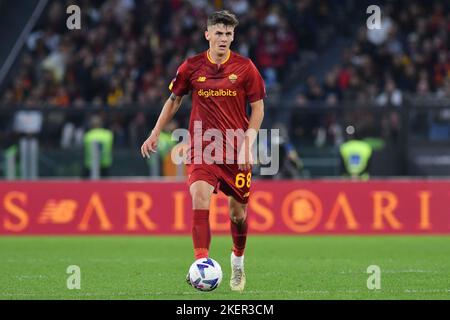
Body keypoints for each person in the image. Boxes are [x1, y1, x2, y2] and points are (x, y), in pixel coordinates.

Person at [140, 10, 265, 292]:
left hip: (236, 151)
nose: (223, 39)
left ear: (233, 36)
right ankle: (201, 264)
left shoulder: (246, 68)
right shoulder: (191, 66)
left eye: (228, 34)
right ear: (207, 34)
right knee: (199, 197)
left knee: (238, 215)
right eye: (218, 33)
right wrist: (155, 132)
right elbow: (174, 100)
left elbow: (258, 107)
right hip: (202, 148)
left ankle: (237, 262)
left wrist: (249, 141)